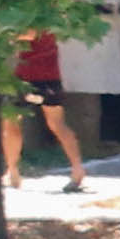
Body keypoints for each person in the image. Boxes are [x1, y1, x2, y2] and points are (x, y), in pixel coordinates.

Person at [6, 31, 86, 196]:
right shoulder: (50, 19)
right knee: (13, 122)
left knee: (53, 124)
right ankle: (12, 170)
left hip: (37, 78)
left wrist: (3, 34)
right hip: (35, 76)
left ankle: (77, 168)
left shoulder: (37, 19)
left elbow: (30, 34)